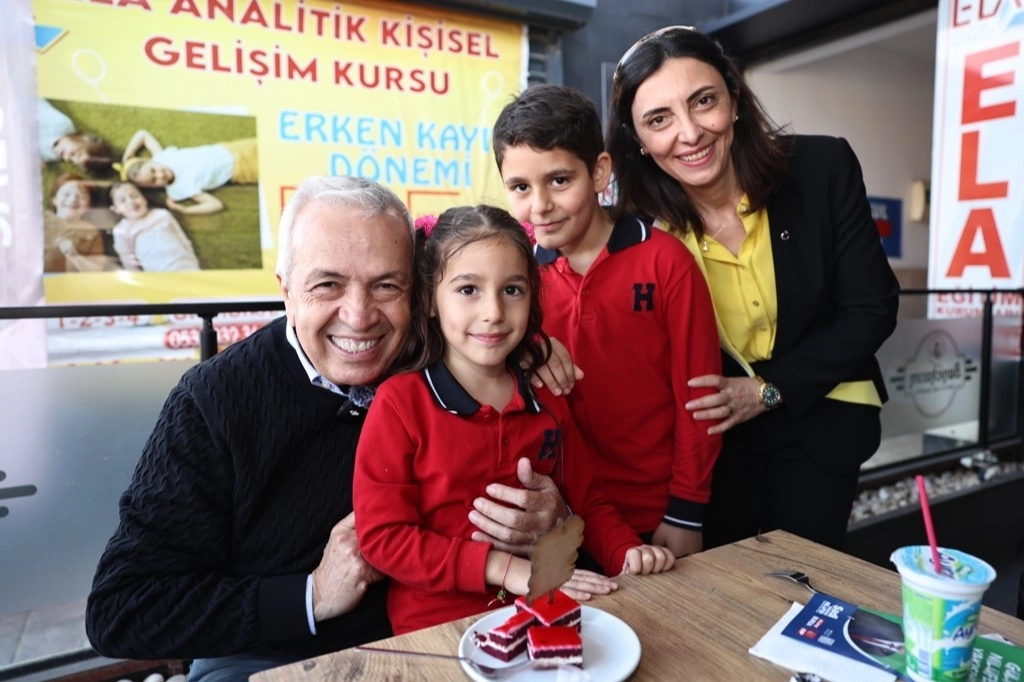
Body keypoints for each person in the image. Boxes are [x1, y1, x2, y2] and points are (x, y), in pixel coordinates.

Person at [85, 176, 589, 681]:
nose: (359, 316)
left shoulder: (440, 361)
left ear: (419, 294)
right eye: (327, 284)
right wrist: (311, 595)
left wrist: (554, 508)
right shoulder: (214, 400)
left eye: (386, 285)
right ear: (286, 290)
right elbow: (120, 610)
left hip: (436, 634)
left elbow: (487, 304)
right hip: (269, 655)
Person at [605, 26, 900, 550]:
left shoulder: (822, 168)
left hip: (822, 414)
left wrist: (766, 391)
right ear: (638, 141)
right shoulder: (635, 228)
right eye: (659, 119)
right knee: (722, 586)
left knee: (803, 579)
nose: (690, 133)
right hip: (712, 440)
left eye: (704, 101)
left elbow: (872, 308)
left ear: (735, 99)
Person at [353, 205, 674, 635]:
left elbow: (588, 502)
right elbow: (383, 538)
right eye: (468, 289)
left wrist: (626, 552)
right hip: (435, 627)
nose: (494, 312)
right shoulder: (400, 403)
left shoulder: (547, 396)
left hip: (541, 609)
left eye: (512, 290)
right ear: (429, 299)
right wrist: (503, 568)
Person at [492, 84, 723, 559]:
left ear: (599, 172)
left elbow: (700, 400)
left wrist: (686, 511)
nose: (540, 205)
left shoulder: (666, 262)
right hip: (555, 516)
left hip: (656, 516)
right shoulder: (514, 278)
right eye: (520, 188)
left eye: (559, 180)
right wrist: (526, 349)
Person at [116, 128, 258, 214]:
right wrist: (186, 210)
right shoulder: (177, 190)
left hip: (233, 148)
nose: (160, 175)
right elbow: (216, 205)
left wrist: (129, 152)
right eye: (154, 181)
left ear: (149, 160)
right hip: (242, 171)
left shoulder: (162, 157)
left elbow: (142, 134)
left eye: (154, 170)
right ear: (151, 187)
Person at [109, 181, 200, 272]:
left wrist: (194, 262)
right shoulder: (122, 230)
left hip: (185, 265)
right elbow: (128, 261)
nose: (131, 202)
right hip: (157, 273)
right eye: (122, 201)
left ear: (144, 199)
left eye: (134, 196)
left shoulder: (162, 214)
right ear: (116, 209)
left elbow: (183, 240)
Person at [44, 173, 119, 273]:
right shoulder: (41, 220)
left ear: (88, 206)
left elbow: (97, 270)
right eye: (67, 194)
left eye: (82, 196)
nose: (73, 199)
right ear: (54, 199)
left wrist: (73, 254)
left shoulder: (90, 232)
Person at [38, 98, 114, 173]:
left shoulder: (54, 155)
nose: (66, 158)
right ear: (83, 138)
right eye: (73, 153)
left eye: (71, 161)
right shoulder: (60, 124)